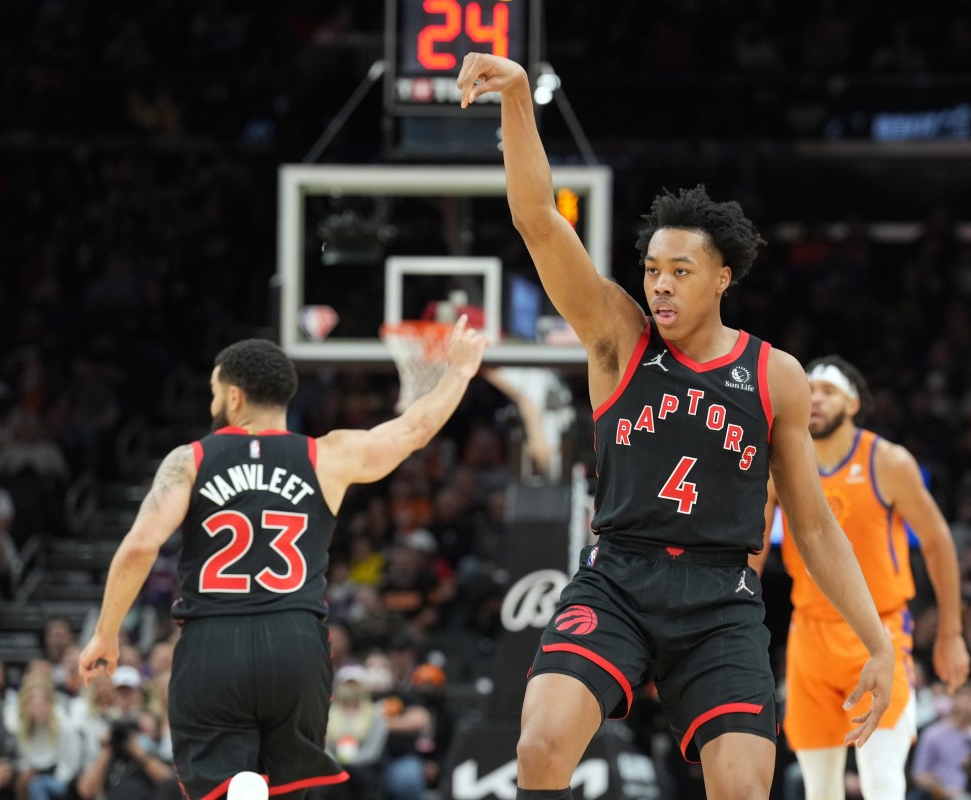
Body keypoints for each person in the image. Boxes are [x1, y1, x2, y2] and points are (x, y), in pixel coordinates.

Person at [457, 54, 895, 800]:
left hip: (720, 593)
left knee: (744, 784)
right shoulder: (618, 335)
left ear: (722, 277)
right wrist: (519, 99)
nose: (660, 282)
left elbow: (814, 527)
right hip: (620, 575)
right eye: (654, 267)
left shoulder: (773, 375)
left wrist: (878, 640)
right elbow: (535, 221)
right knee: (540, 745)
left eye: (681, 271)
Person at [78, 324, 487, 800]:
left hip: (214, 641)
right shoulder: (326, 455)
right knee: (289, 789)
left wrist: (106, 632)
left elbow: (138, 547)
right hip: (295, 642)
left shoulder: (188, 460)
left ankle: (240, 788)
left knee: (216, 788)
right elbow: (414, 430)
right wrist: (459, 370)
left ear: (233, 397)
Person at [760, 356, 970, 800]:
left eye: (829, 391)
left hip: (879, 631)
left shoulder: (888, 461)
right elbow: (752, 551)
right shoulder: (781, 464)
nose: (816, 398)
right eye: (809, 389)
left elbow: (938, 542)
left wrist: (950, 632)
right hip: (810, 634)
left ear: (854, 403)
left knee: (881, 782)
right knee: (819, 790)